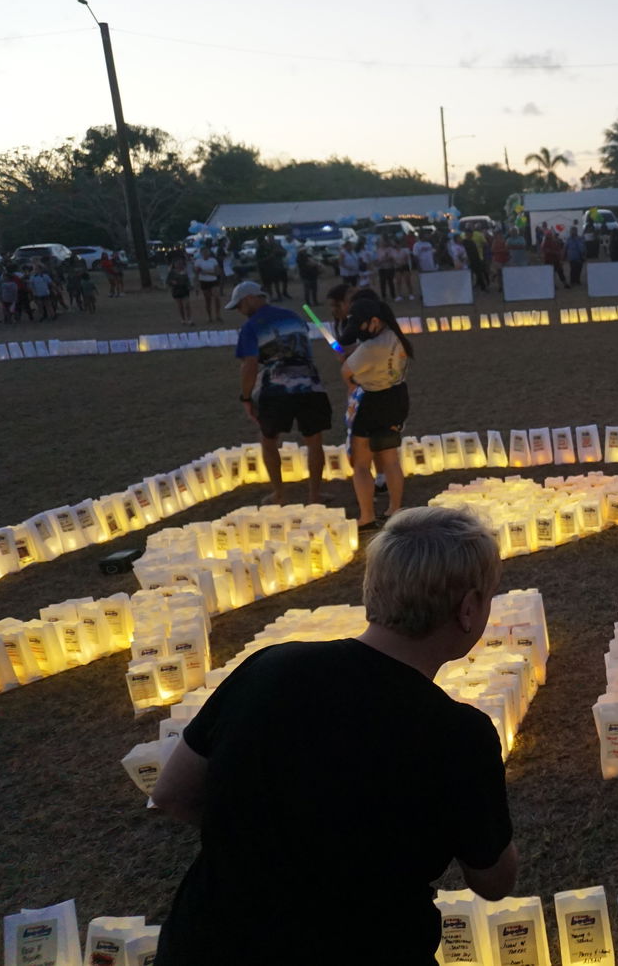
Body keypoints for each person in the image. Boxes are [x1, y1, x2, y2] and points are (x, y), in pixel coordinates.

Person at [150, 506, 518, 966]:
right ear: (467, 610)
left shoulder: (269, 668)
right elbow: (493, 881)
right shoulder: (456, 734)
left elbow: (171, 793)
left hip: (209, 943)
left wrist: (265, 846)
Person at [227, 280, 332, 506]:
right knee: (314, 440)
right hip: (311, 385)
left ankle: (280, 494)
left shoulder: (252, 326)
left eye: (239, 306)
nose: (239, 311)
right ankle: (314, 495)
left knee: (268, 439)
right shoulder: (294, 317)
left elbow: (249, 365)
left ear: (250, 299)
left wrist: (246, 397)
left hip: (276, 390)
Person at [341, 295, 413, 531]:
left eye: (361, 326)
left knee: (361, 463)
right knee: (391, 459)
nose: (360, 332)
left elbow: (346, 372)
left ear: (374, 321)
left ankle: (367, 516)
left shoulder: (371, 348)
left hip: (372, 402)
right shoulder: (395, 336)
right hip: (397, 398)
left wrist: (350, 374)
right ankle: (395, 508)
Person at [167, 255, 195, 326]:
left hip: (184, 290)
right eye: (177, 263)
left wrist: (190, 286)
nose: (179, 265)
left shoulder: (185, 272)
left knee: (187, 305)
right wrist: (172, 282)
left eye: (180, 263)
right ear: (174, 264)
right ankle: (183, 319)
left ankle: (189, 319)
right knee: (180, 306)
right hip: (176, 290)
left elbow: (188, 281)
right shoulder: (172, 273)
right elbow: (168, 281)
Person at [376, 236, 399, 300]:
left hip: (390, 268)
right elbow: (376, 260)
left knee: (391, 282)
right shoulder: (378, 250)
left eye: (383, 242)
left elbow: (394, 258)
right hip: (381, 268)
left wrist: (387, 259)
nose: (382, 243)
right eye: (381, 242)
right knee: (382, 283)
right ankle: (384, 296)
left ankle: (393, 295)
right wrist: (384, 259)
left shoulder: (391, 249)